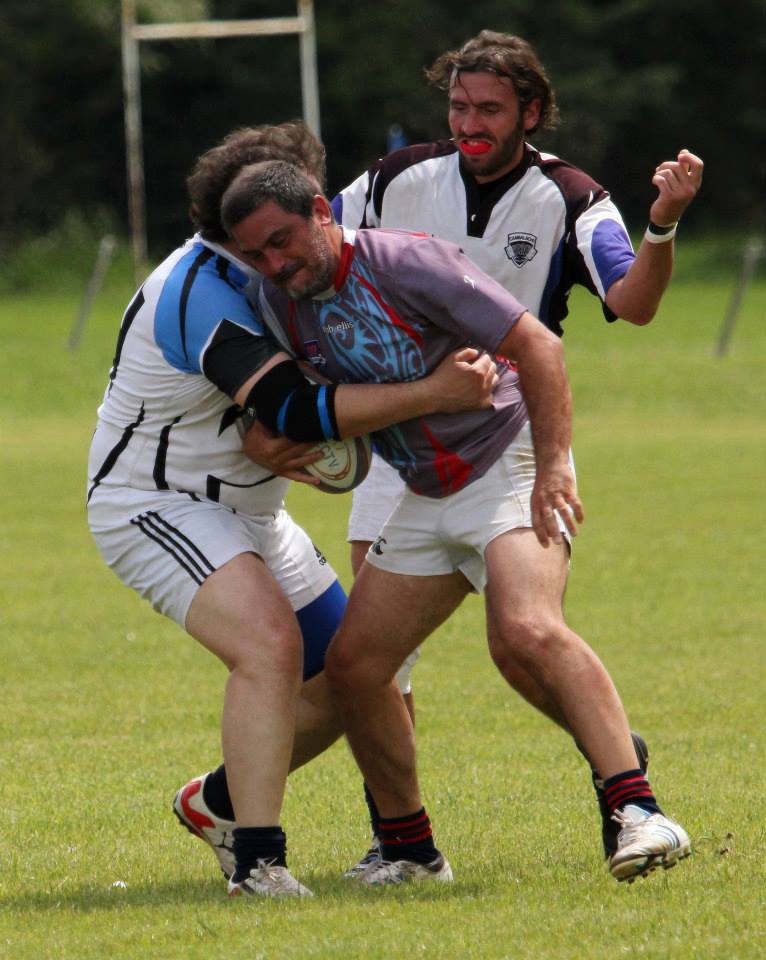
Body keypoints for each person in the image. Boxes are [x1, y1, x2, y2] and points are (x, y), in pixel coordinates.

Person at [219, 157, 692, 885]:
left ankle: (640, 811)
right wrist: (277, 447)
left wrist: (557, 462)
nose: (274, 263)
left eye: (282, 240)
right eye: (256, 254)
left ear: (321, 210)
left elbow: (538, 344)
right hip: (423, 491)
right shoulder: (279, 302)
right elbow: (289, 409)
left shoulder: (407, 262)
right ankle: (410, 851)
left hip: (507, 463)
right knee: (355, 668)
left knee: (526, 631)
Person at [86, 124, 499, 900]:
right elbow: (293, 405)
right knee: (271, 647)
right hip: (154, 503)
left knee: (355, 669)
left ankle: (218, 804)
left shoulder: (291, 269)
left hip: (252, 512)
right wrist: (432, 395)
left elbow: (315, 397)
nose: (288, 248)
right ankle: (257, 864)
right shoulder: (197, 289)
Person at [323, 30, 703, 868]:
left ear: (531, 111)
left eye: (489, 109)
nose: (469, 123)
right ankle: (401, 846)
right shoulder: (394, 179)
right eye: (458, 105)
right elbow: (311, 241)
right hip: (403, 449)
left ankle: (630, 794)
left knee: (520, 638)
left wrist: (664, 224)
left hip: (510, 442)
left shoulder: (571, 195)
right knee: (377, 662)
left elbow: (631, 302)